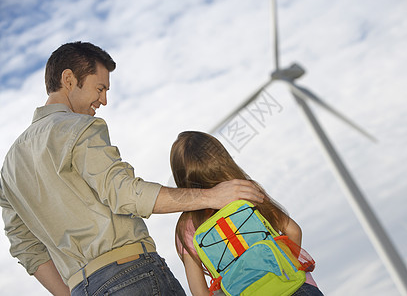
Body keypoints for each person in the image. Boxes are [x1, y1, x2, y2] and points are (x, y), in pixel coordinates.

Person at [0, 42, 264, 296]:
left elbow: (27, 248)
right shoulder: (78, 128)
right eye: (100, 88)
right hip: (132, 274)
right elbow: (125, 193)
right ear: (68, 79)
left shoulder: (8, 169)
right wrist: (211, 196)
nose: (103, 100)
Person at [170, 131, 324, 296]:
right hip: (295, 284)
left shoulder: (186, 226)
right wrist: (285, 266)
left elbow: (199, 292)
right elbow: (293, 230)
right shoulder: (244, 191)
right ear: (223, 160)